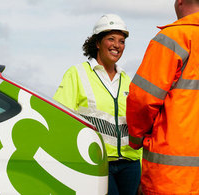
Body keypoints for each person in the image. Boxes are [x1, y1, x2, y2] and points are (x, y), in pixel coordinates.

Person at [127, 0, 199, 194]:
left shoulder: (171, 38)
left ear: (179, 1)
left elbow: (142, 99)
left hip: (170, 174)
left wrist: (136, 138)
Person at [54, 14, 142, 195]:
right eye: (111, 39)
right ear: (97, 43)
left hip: (130, 165)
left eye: (122, 41)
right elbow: (60, 118)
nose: (117, 45)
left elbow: (135, 125)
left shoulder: (127, 81)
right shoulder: (76, 74)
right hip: (96, 161)